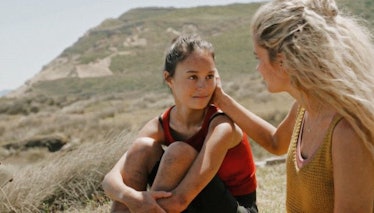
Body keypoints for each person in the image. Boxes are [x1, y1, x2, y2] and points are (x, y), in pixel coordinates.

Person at [213, 0, 374, 212]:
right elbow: (275, 141)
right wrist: (221, 100)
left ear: (282, 62)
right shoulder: (304, 107)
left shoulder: (347, 132)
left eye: (258, 57)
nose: (258, 68)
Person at [102, 34, 258, 213]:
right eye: (193, 77)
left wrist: (144, 207)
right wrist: (132, 197)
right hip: (191, 205)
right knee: (141, 148)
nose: (203, 86)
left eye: (209, 76)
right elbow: (109, 181)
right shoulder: (160, 125)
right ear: (169, 79)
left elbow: (179, 201)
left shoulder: (221, 126)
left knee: (178, 152)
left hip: (235, 209)